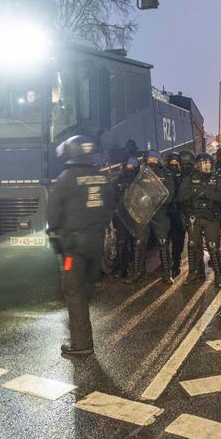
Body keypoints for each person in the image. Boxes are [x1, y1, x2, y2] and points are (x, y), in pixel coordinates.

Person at [46, 135, 110, 356]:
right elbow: (110, 206)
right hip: (97, 242)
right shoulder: (101, 177)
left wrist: (54, 234)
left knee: (73, 291)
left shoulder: (66, 178)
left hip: (74, 246)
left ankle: (82, 344)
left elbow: (53, 212)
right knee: (87, 287)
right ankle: (82, 331)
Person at [177, 152, 221, 287]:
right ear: (197, 165)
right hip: (194, 217)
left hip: (211, 217)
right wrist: (195, 192)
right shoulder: (189, 179)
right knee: (193, 245)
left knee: (213, 246)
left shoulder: (217, 179)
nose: (206, 167)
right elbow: (181, 196)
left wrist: (205, 192)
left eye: (208, 164)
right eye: (203, 164)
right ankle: (195, 273)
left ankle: (219, 274)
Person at [126, 150, 174, 284]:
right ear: (146, 159)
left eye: (154, 159)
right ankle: (137, 273)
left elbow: (170, 195)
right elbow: (133, 191)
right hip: (143, 213)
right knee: (139, 242)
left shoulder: (165, 174)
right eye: (150, 158)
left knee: (163, 243)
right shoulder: (140, 174)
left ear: (159, 160)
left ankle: (167, 273)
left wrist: (156, 198)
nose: (152, 161)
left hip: (159, 213)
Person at [110, 157, 139, 279]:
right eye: (128, 166)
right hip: (122, 215)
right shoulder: (118, 181)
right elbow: (112, 198)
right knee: (121, 242)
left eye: (132, 166)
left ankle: (136, 269)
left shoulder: (140, 180)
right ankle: (122, 269)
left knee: (136, 243)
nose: (129, 168)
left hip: (136, 215)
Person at [165, 152, 187, 278]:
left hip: (179, 211)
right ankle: (167, 264)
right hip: (167, 210)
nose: (174, 163)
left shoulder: (183, 174)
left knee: (178, 240)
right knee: (165, 239)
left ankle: (176, 264)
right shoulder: (163, 175)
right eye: (171, 161)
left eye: (176, 161)